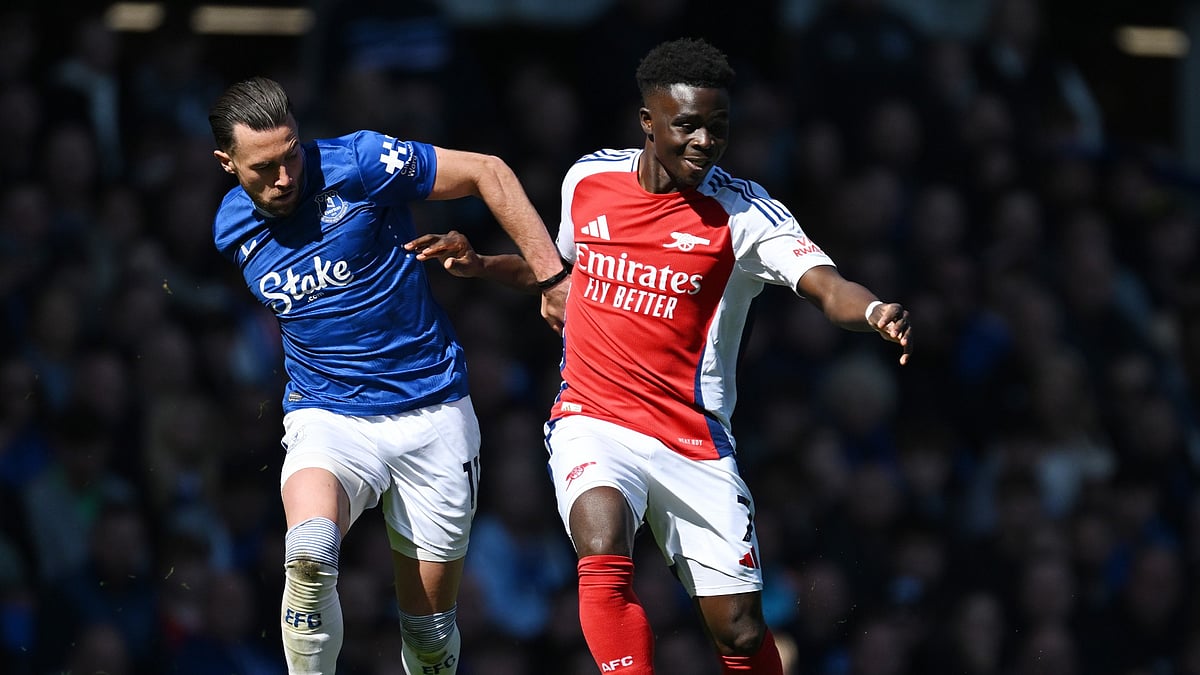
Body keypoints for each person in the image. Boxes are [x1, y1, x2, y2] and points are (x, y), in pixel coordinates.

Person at [408, 38, 911, 674]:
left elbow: (828, 287)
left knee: (739, 630)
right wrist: (483, 265)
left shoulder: (746, 215)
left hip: (691, 437)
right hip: (592, 416)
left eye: (719, 127)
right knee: (601, 544)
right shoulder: (588, 181)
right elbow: (565, 278)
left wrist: (872, 313)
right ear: (648, 122)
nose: (705, 141)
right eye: (688, 126)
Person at [206, 76, 569, 675]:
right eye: (264, 167)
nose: (286, 177)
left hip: (432, 411)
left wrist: (553, 278)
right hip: (328, 415)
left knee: (428, 632)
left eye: (292, 153)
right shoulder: (229, 229)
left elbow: (488, 169)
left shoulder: (361, 161)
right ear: (227, 163)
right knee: (310, 549)